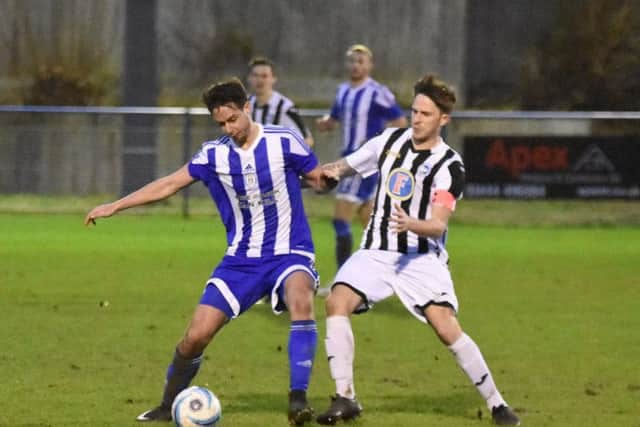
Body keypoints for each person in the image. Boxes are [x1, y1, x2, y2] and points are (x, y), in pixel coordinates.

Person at [84, 78, 335, 425]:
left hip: (290, 252)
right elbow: (170, 183)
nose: (228, 129)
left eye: (233, 119)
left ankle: (298, 401)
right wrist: (117, 205)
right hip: (241, 260)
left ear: (246, 108)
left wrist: (327, 179)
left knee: (301, 299)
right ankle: (166, 405)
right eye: (221, 123)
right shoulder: (214, 154)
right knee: (196, 335)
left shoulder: (283, 141)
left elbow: (318, 179)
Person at [315, 74, 521, 426]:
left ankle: (497, 403)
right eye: (414, 111)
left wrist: (413, 223)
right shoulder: (389, 141)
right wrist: (322, 174)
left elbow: (438, 224)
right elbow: (345, 165)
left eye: (425, 114)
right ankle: (345, 397)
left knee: (445, 326)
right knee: (337, 301)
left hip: (420, 257)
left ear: (443, 119)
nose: (416, 118)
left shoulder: (450, 165)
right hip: (377, 251)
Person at [316, 44, 407, 285]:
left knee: (340, 218)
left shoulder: (377, 92)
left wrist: (377, 144)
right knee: (371, 224)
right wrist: (326, 123)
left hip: (361, 163)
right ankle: (390, 273)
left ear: (370, 65)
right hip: (346, 159)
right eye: (352, 61)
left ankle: (343, 280)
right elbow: (335, 117)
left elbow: (400, 122)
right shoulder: (343, 90)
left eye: (361, 61)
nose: (355, 65)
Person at [247, 56, 314, 147]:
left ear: (273, 79)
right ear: (249, 78)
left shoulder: (284, 107)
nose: (259, 80)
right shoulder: (245, 105)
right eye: (255, 75)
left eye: (264, 76)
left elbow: (307, 140)